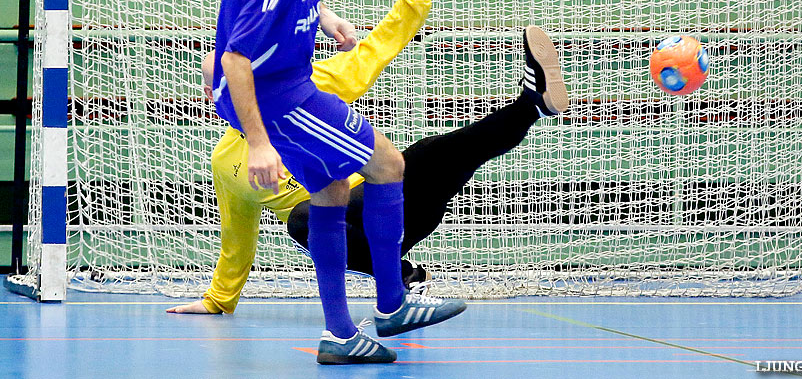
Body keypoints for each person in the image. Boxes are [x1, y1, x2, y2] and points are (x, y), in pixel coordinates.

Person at [208, 0, 463, 364]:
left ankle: (339, 335)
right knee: (389, 165)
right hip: (279, 96)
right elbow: (234, 59)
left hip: (281, 85)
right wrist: (257, 143)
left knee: (328, 191)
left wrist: (325, 18)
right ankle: (392, 304)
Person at [166, 17, 569, 316]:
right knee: (303, 218)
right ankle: (397, 279)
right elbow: (237, 237)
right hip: (346, 237)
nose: (238, 92)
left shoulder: (309, 88)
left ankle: (531, 105)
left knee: (439, 152)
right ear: (212, 95)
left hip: (392, 204)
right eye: (225, 88)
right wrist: (217, 299)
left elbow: (374, 52)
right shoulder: (226, 162)